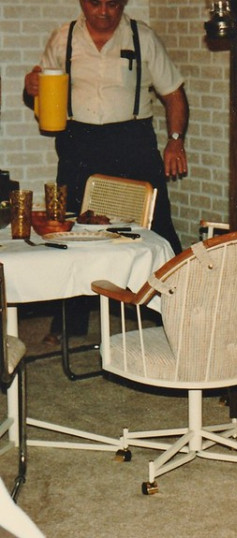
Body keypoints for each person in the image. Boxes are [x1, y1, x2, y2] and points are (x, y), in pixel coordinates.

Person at [23, 0, 188, 343]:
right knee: (72, 232)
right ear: (83, 2)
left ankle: (180, 312)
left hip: (132, 140)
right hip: (78, 142)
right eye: (95, 2)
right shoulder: (62, 38)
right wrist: (31, 88)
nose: (103, 11)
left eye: (112, 3)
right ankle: (69, 323)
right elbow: (40, 88)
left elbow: (174, 94)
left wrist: (175, 142)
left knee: (158, 228)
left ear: (123, 3)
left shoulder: (142, 37)